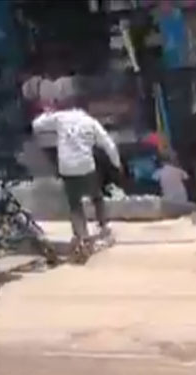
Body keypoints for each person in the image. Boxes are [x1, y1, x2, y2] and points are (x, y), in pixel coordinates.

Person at [32, 96, 121, 257]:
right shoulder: (90, 121)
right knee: (97, 197)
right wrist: (116, 163)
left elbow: (36, 125)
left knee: (75, 204)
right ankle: (103, 226)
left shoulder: (60, 118)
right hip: (86, 166)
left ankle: (81, 236)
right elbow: (108, 144)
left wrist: (47, 113)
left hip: (67, 167)